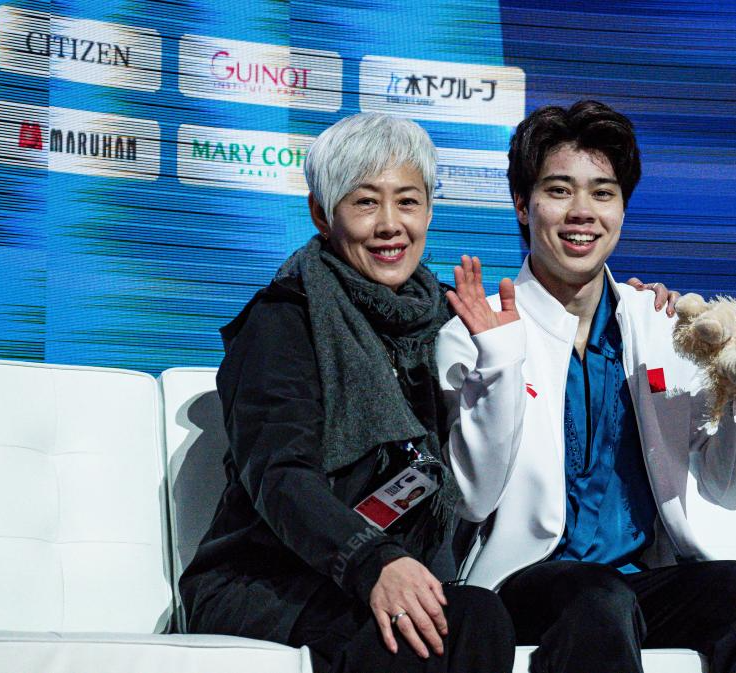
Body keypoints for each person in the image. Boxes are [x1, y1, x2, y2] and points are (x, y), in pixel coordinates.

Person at [437, 101, 736, 673]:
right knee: (597, 601)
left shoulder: (662, 324)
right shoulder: (476, 331)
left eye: (603, 193)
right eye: (559, 191)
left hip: (640, 584)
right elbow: (474, 497)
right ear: (521, 203)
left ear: (622, 208)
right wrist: (499, 359)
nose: (582, 212)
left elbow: (728, 489)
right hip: (522, 583)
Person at [179, 112, 516, 673]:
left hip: (388, 572)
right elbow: (280, 475)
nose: (390, 225)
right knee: (440, 625)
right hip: (267, 579)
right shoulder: (282, 321)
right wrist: (370, 561)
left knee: (477, 613)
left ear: (429, 211)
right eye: (365, 202)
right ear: (322, 214)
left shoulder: (445, 323)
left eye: (407, 202)